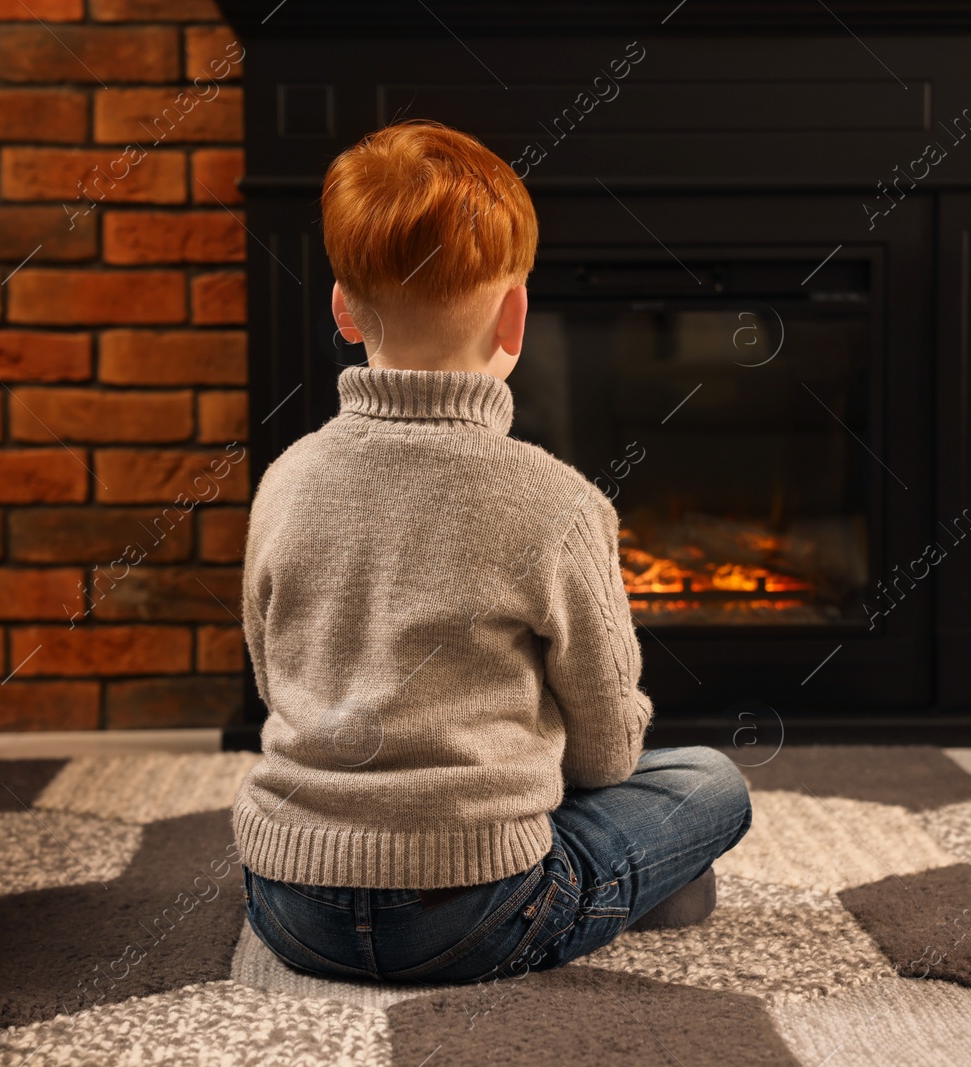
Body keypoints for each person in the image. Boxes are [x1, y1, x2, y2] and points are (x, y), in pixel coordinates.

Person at [235, 119, 752, 984]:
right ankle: (625, 889)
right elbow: (604, 756)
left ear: (340, 305)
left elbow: (274, 676)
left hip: (290, 900)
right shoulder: (559, 502)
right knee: (709, 780)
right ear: (516, 310)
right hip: (474, 909)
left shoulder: (285, 480)